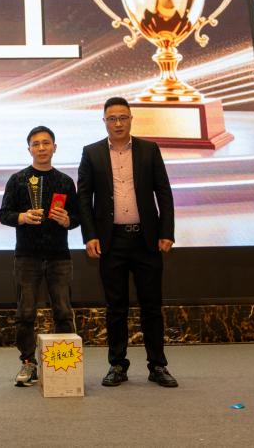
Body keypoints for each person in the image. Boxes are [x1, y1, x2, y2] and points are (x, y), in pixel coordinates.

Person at [77, 97, 178, 388]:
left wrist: (166, 231)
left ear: (131, 119)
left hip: (147, 240)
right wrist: (90, 235)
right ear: (104, 122)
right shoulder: (92, 153)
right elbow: (84, 198)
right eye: (112, 118)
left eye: (123, 117)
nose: (118, 123)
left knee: (151, 306)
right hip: (112, 241)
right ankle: (117, 365)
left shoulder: (149, 149)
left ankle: (157, 365)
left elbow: (164, 192)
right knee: (116, 307)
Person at [0, 125, 78, 387]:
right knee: (25, 313)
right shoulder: (18, 179)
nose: (41, 148)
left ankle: (63, 364)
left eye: (46, 143)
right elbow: (4, 214)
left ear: (55, 147)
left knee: (63, 311)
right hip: (27, 256)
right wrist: (22, 217)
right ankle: (28, 363)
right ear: (29, 149)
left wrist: (67, 220)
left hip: (59, 257)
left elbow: (78, 216)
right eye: (36, 144)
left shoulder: (65, 182)